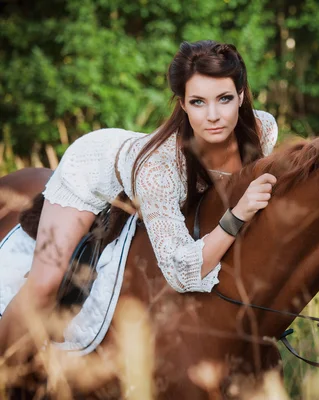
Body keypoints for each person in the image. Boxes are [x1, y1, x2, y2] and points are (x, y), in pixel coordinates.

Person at [0, 40, 278, 358]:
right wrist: (236, 215)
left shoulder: (263, 129)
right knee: (45, 283)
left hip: (138, 154)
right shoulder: (158, 169)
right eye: (198, 102)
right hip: (93, 171)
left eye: (224, 99)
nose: (213, 116)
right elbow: (181, 271)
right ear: (183, 105)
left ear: (241, 96)